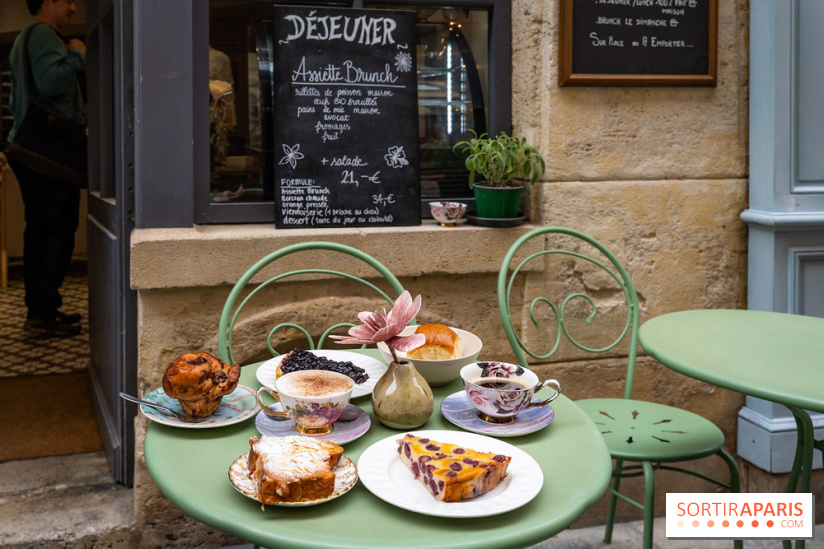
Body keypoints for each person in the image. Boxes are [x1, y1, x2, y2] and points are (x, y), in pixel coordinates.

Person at [6, 0, 85, 337]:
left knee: (41, 232)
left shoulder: (28, 36)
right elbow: (52, 82)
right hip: (46, 154)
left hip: (32, 151)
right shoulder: (42, 34)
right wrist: (77, 54)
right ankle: (41, 316)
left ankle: (42, 310)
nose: (73, 8)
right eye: (67, 0)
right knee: (55, 232)